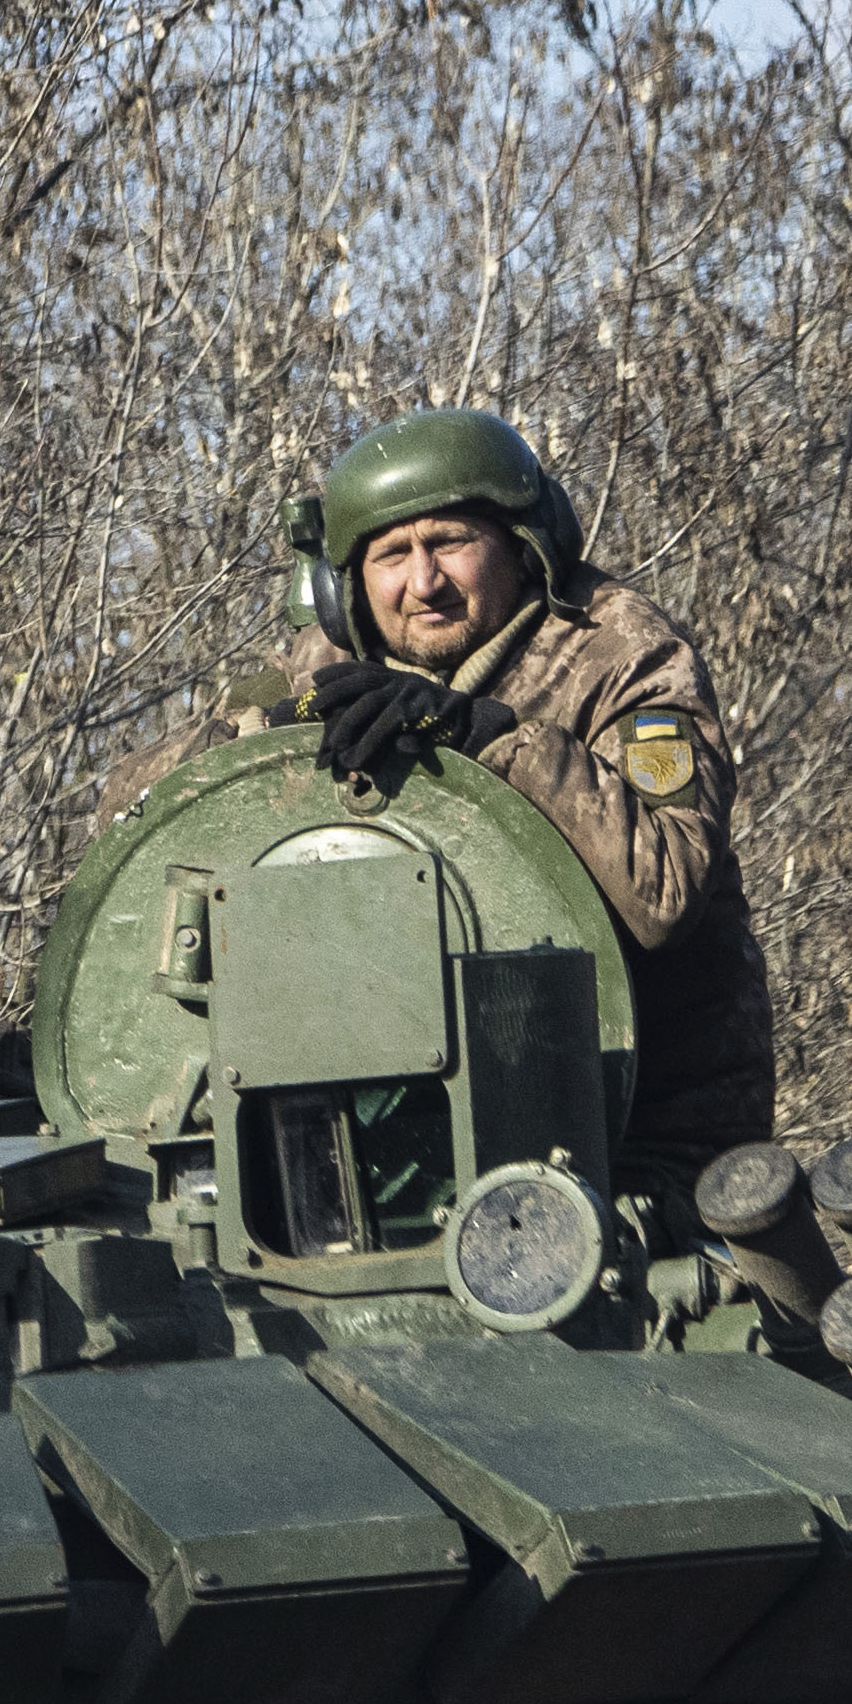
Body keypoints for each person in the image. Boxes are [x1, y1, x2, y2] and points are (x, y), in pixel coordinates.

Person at [258, 405, 776, 1164]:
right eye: (392, 554)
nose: (423, 582)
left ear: (524, 545)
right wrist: (260, 744)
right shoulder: (328, 660)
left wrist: (494, 740)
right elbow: (140, 806)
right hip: (412, 1133)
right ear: (344, 589)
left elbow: (665, 889)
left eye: (450, 542)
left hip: (642, 1123)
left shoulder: (622, 652)